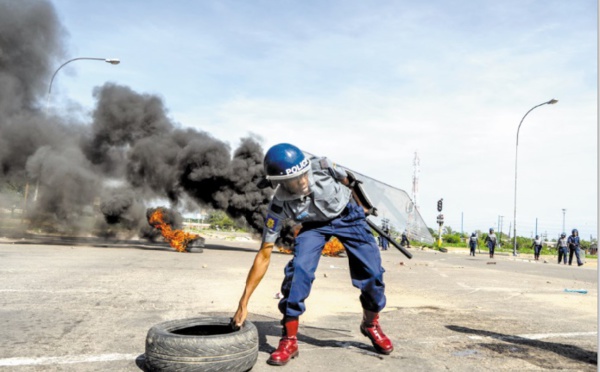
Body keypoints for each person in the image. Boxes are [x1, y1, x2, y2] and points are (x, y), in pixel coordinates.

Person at [232, 143, 393, 367]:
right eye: (294, 180)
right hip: (314, 227)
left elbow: (350, 181)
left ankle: (370, 324)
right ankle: (289, 340)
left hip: (348, 217)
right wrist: (243, 302)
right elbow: (264, 254)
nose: (304, 181)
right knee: (299, 270)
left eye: (304, 174)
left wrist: (363, 208)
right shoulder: (278, 206)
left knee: (373, 274)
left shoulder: (324, 167)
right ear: (280, 183)